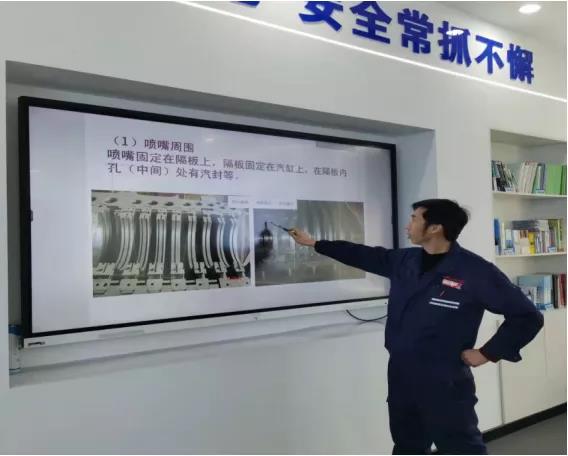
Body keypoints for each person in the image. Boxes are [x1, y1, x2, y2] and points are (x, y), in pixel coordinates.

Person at [288, 199, 544, 455]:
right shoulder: (404, 260)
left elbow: (527, 316)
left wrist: (487, 353)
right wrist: (315, 243)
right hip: (401, 376)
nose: (407, 226)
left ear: (435, 228)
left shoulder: (475, 271)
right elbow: (362, 254)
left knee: (460, 449)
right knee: (407, 447)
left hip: (444, 381)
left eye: (414, 219)